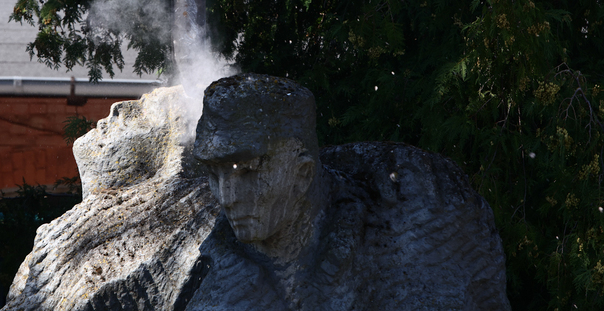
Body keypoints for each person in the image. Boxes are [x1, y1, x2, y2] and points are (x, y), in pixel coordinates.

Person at [184, 73, 511, 311]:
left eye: (248, 171)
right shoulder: (215, 275)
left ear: (302, 174)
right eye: (214, 173)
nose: (227, 197)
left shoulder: (414, 224)